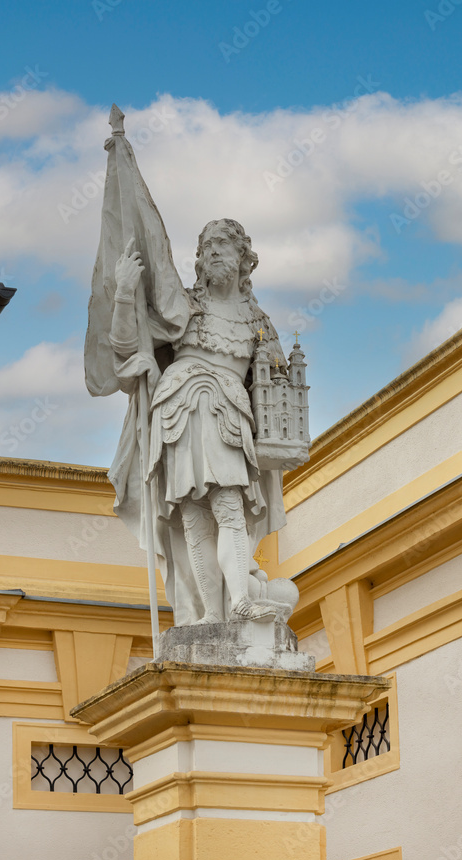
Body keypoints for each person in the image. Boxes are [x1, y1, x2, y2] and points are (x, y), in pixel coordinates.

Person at [108, 218, 291, 625]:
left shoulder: (258, 322)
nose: (211, 252)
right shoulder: (183, 305)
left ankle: (238, 599)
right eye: (206, 245)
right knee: (192, 515)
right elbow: (126, 346)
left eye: (222, 245)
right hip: (177, 410)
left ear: (244, 260)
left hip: (226, 410)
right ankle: (211, 612)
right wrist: (124, 294)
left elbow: (280, 388)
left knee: (228, 505)